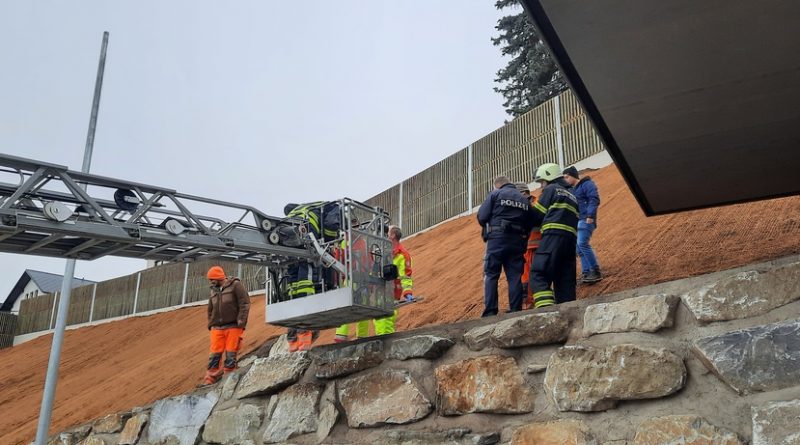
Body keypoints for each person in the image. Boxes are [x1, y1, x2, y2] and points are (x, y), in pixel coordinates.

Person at [477, 175, 535, 317]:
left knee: (491, 275)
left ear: (497, 186)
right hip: (517, 241)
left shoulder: (495, 194)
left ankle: (491, 311)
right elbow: (531, 221)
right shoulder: (524, 199)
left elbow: (482, 217)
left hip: (497, 240)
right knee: (515, 277)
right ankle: (515, 309)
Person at [529, 163, 579, 308]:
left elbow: (537, 216)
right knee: (565, 280)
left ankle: (546, 310)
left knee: (539, 273)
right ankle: (568, 312)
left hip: (552, 237)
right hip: (570, 243)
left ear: (549, 177)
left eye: (542, 182)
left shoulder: (551, 189)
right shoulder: (572, 195)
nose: (541, 186)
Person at [201, 265, 250, 386]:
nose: (211, 281)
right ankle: (210, 378)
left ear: (219, 277)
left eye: (212, 279)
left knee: (231, 352)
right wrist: (211, 323)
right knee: (214, 353)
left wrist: (241, 322)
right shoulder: (213, 290)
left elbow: (244, 303)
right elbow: (210, 308)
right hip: (217, 327)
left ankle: (228, 376)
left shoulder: (236, 285)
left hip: (233, 326)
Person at [563, 166, 603, 284]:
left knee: (582, 244)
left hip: (585, 219)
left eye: (567, 177)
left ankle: (595, 271)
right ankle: (587, 272)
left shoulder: (587, 184)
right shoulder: (573, 190)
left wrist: (590, 215)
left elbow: (594, 199)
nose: (565, 179)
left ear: (573, 176)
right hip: (577, 221)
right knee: (579, 248)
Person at [515, 182, 542, 310]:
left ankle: (537, 301)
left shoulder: (536, 204)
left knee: (535, 275)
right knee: (524, 277)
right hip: (524, 248)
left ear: (523, 193)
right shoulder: (521, 206)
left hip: (535, 245)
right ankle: (526, 302)